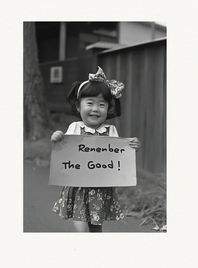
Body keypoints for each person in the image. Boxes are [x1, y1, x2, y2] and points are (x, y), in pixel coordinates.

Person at [51, 66, 140, 232]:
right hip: (78, 184)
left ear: (108, 108)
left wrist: (132, 148)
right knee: (81, 218)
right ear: (78, 107)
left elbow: (119, 156)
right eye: (90, 103)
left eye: (102, 104)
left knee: (96, 223)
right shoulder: (75, 127)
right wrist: (57, 137)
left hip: (101, 186)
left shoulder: (110, 131)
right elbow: (64, 148)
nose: (95, 109)